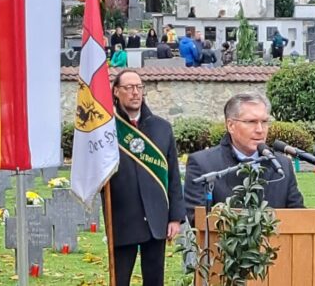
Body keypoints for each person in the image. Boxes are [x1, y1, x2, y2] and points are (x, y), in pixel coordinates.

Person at [109, 69, 185, 286]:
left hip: (156, 219)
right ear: (116, 92)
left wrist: (175, 217)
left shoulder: (162, 128)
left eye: (139, 87)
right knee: (119, 280)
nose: (135, 93)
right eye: (128, 88)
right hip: (122, 219)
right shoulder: (106, 129)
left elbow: (173, 174)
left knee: (154, 281)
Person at [183, 92, 304, 224]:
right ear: (230, 126)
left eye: (264, 122)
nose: (260, 129)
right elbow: (198, 221)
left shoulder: (282, 165)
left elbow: (299, 218)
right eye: (251, 122)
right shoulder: (203, 164)